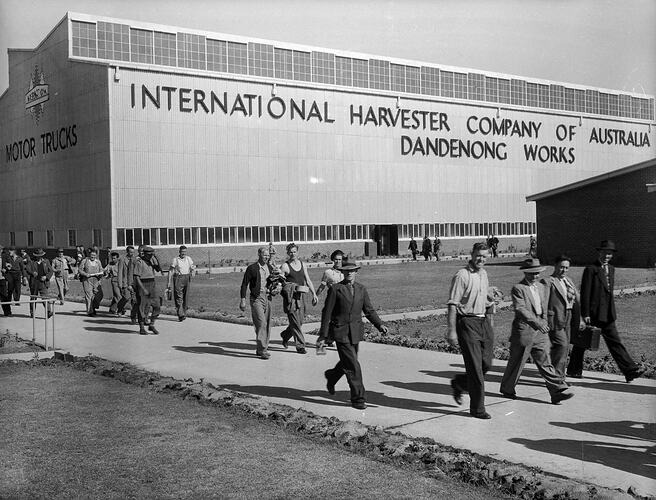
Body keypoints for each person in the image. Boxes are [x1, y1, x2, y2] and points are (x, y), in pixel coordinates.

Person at [566, 240, 644, 382]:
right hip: (593, 313)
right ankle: (573, 370)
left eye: (610, 254)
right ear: (599, 252)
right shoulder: (591, 269)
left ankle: (629, 371)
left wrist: (611, 311)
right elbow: (585, 293)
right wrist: (586, 314)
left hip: (607, 314)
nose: (607, 256)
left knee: (615, 342)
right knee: (582, 342)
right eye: (605, 253)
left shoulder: (612, 269)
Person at [499, 258, 574, 404]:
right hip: (524, 330)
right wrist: (538, 323)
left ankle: (556, 391)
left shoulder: (541, 287)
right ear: (525, 272)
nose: (535, 277)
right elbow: (521, 309)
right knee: (517, 362)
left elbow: (544, 307)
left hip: (540, 331)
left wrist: (544, 322)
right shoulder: (518, 288)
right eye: (531, 274)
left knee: (545, 361)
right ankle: (507, 388)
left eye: (537, 273)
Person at [317, 262, 388, 410]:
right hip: (340, 331)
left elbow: (368, 310)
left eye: (352, 271)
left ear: (356, 272)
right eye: (346, 271)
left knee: (349, 362)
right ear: (342, 272)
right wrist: (323, 335)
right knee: (353, 366)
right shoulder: (336, 289)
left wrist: (379, 324)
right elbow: (327, 313)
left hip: (355, 332)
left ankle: (332, 375)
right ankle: (358, 398)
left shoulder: (361, 289)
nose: (349, 273)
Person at [446, 242, 496, 419]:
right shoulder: (462, 275)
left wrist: (491, 297)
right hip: (467, 323)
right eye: (478, 255)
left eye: (484, 256)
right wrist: (451, 331)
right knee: (475, 369)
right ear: (471, 254)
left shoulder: (484, 273)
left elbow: (483, 296)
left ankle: (460, 382)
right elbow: (452, 304)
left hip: (483, 322)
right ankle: (478, 409)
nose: (480, 259)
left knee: (487, 364)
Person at [544, 255, 585, 381]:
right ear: (555, 266)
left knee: (565, 347)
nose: (564, 270)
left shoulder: (568, 280)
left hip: (569, 317)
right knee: (561, 346)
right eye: (561, 267)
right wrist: (544, 320)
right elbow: (544, 302)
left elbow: (576, 301)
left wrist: (581, 318)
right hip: (555, 318)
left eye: (566, 268)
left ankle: (560, 377)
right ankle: (555, 378)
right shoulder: (548, 281)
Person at [240, 247, 281, 359]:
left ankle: (261, 349)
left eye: (268, 255)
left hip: (268, 298)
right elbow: (244, 284)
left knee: (267, 324)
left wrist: (276, 288)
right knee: (261, 323)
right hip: (256, 298)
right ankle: (263, 350)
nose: (266, 257)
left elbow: (275, 281)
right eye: (264, 255)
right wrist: (243, 299)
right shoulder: (252, 268)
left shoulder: (269, 267)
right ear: (259, 254)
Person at [280, 243, 318, 354]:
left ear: (297, 252)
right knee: (295, 322)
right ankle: (300, 346)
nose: (293, 254)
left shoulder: (302, 264)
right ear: (288, 253)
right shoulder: (285, 266)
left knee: (299, 322)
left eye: (294, 251)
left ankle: (285, 335)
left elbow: (308, 280)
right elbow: (280, 284)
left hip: (302, 296)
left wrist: (314, 294)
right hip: (291, 298)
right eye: (290, 252)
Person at [133, 246, 162, 335]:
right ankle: (141, 327)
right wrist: (143, 289)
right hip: (143, 284)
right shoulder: (139, 262)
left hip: (152, 283)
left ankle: (152, 324)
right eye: (149, 254)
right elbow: (136, 278)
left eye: (151, 254)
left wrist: (156, 257)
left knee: (157, 305)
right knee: (143, 307)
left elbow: (158, 269)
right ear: (144, 254)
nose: (150, 256)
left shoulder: (151, 261)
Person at [167, 245, 196, 321]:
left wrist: (193, 270)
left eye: (185, 252)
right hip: (178, 278)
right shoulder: (175, 260)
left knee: (186, 297)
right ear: (179, 252)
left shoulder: (188, 259)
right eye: (182, 252)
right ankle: (180, 314)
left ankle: (184, 313)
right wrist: (169, 282)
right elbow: (171, 271)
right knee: (179, 296)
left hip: (187, 278)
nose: (183, 253)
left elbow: (192, 267)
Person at [23, 248, 53, 318]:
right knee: (33, 298)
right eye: (38, 255)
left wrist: (46, 277)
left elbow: (51, 271)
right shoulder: (31, 262)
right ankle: (32, 312)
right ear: (35, 256)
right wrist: (32, 272)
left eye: (40, 255)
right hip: (34, 282)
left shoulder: (46, 261)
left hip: (43, 282)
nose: (39, 257)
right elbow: (27, 268)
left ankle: (48, 312)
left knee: (45, 297)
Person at [78, 248, 105, 316]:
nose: (93, 257)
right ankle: (90, 312)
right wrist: (85, 274)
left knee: (99, 295)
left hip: (96, 280)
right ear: (89, 255)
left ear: (96, 255)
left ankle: (93, 307)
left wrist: (101, 273)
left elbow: (101, 269)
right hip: (87, 280)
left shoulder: (98, 262)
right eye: (91, 255)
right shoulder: (85, 261)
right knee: (89, 296)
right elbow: (80, 270)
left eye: (94, 255)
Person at [118, 245, 138, 324]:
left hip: (133, 282)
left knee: (134, 299)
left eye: (133, 252)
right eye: (130, 252)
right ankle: (119, 308)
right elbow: (120, 272)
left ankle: (133, 315)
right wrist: (120, 283)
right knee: (126, 297)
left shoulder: (135, 259)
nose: (132, 254)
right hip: (125, 281)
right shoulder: (122, 259)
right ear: (127, 252)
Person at [104, 251, 123, 315]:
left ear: (118, 258)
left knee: (116, 295)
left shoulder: (121, 263)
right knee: (118, 295)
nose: (113, 259)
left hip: (121, 280)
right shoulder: (110, 264)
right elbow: (105, 270)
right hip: (114, 280)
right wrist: (106, 273)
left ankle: (112, 308)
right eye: (112, 258)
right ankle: (121, 308)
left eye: (114, 258)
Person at [0, 246, 11, 316]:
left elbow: (10, 265)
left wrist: (6, 269)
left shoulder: (4, 257)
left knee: (4, 296)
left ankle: (7, 312)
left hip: (2, 278)